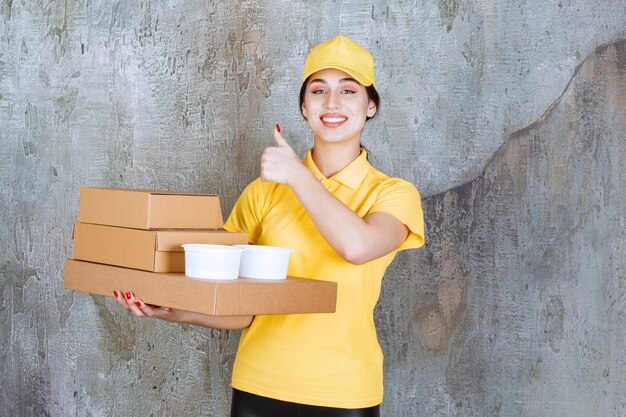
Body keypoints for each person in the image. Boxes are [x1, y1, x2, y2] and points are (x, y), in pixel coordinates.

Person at [115, 35, 424, 416]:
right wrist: (175, 309)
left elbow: (356, 247)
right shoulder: (264, 192)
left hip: (344, 394)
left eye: (348, 90)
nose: (332, 103)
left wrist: (297, 176)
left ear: (370, 106)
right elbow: (243, 306)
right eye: (318, 90)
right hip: (258, 387)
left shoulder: (393, 194)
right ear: (303, 107)